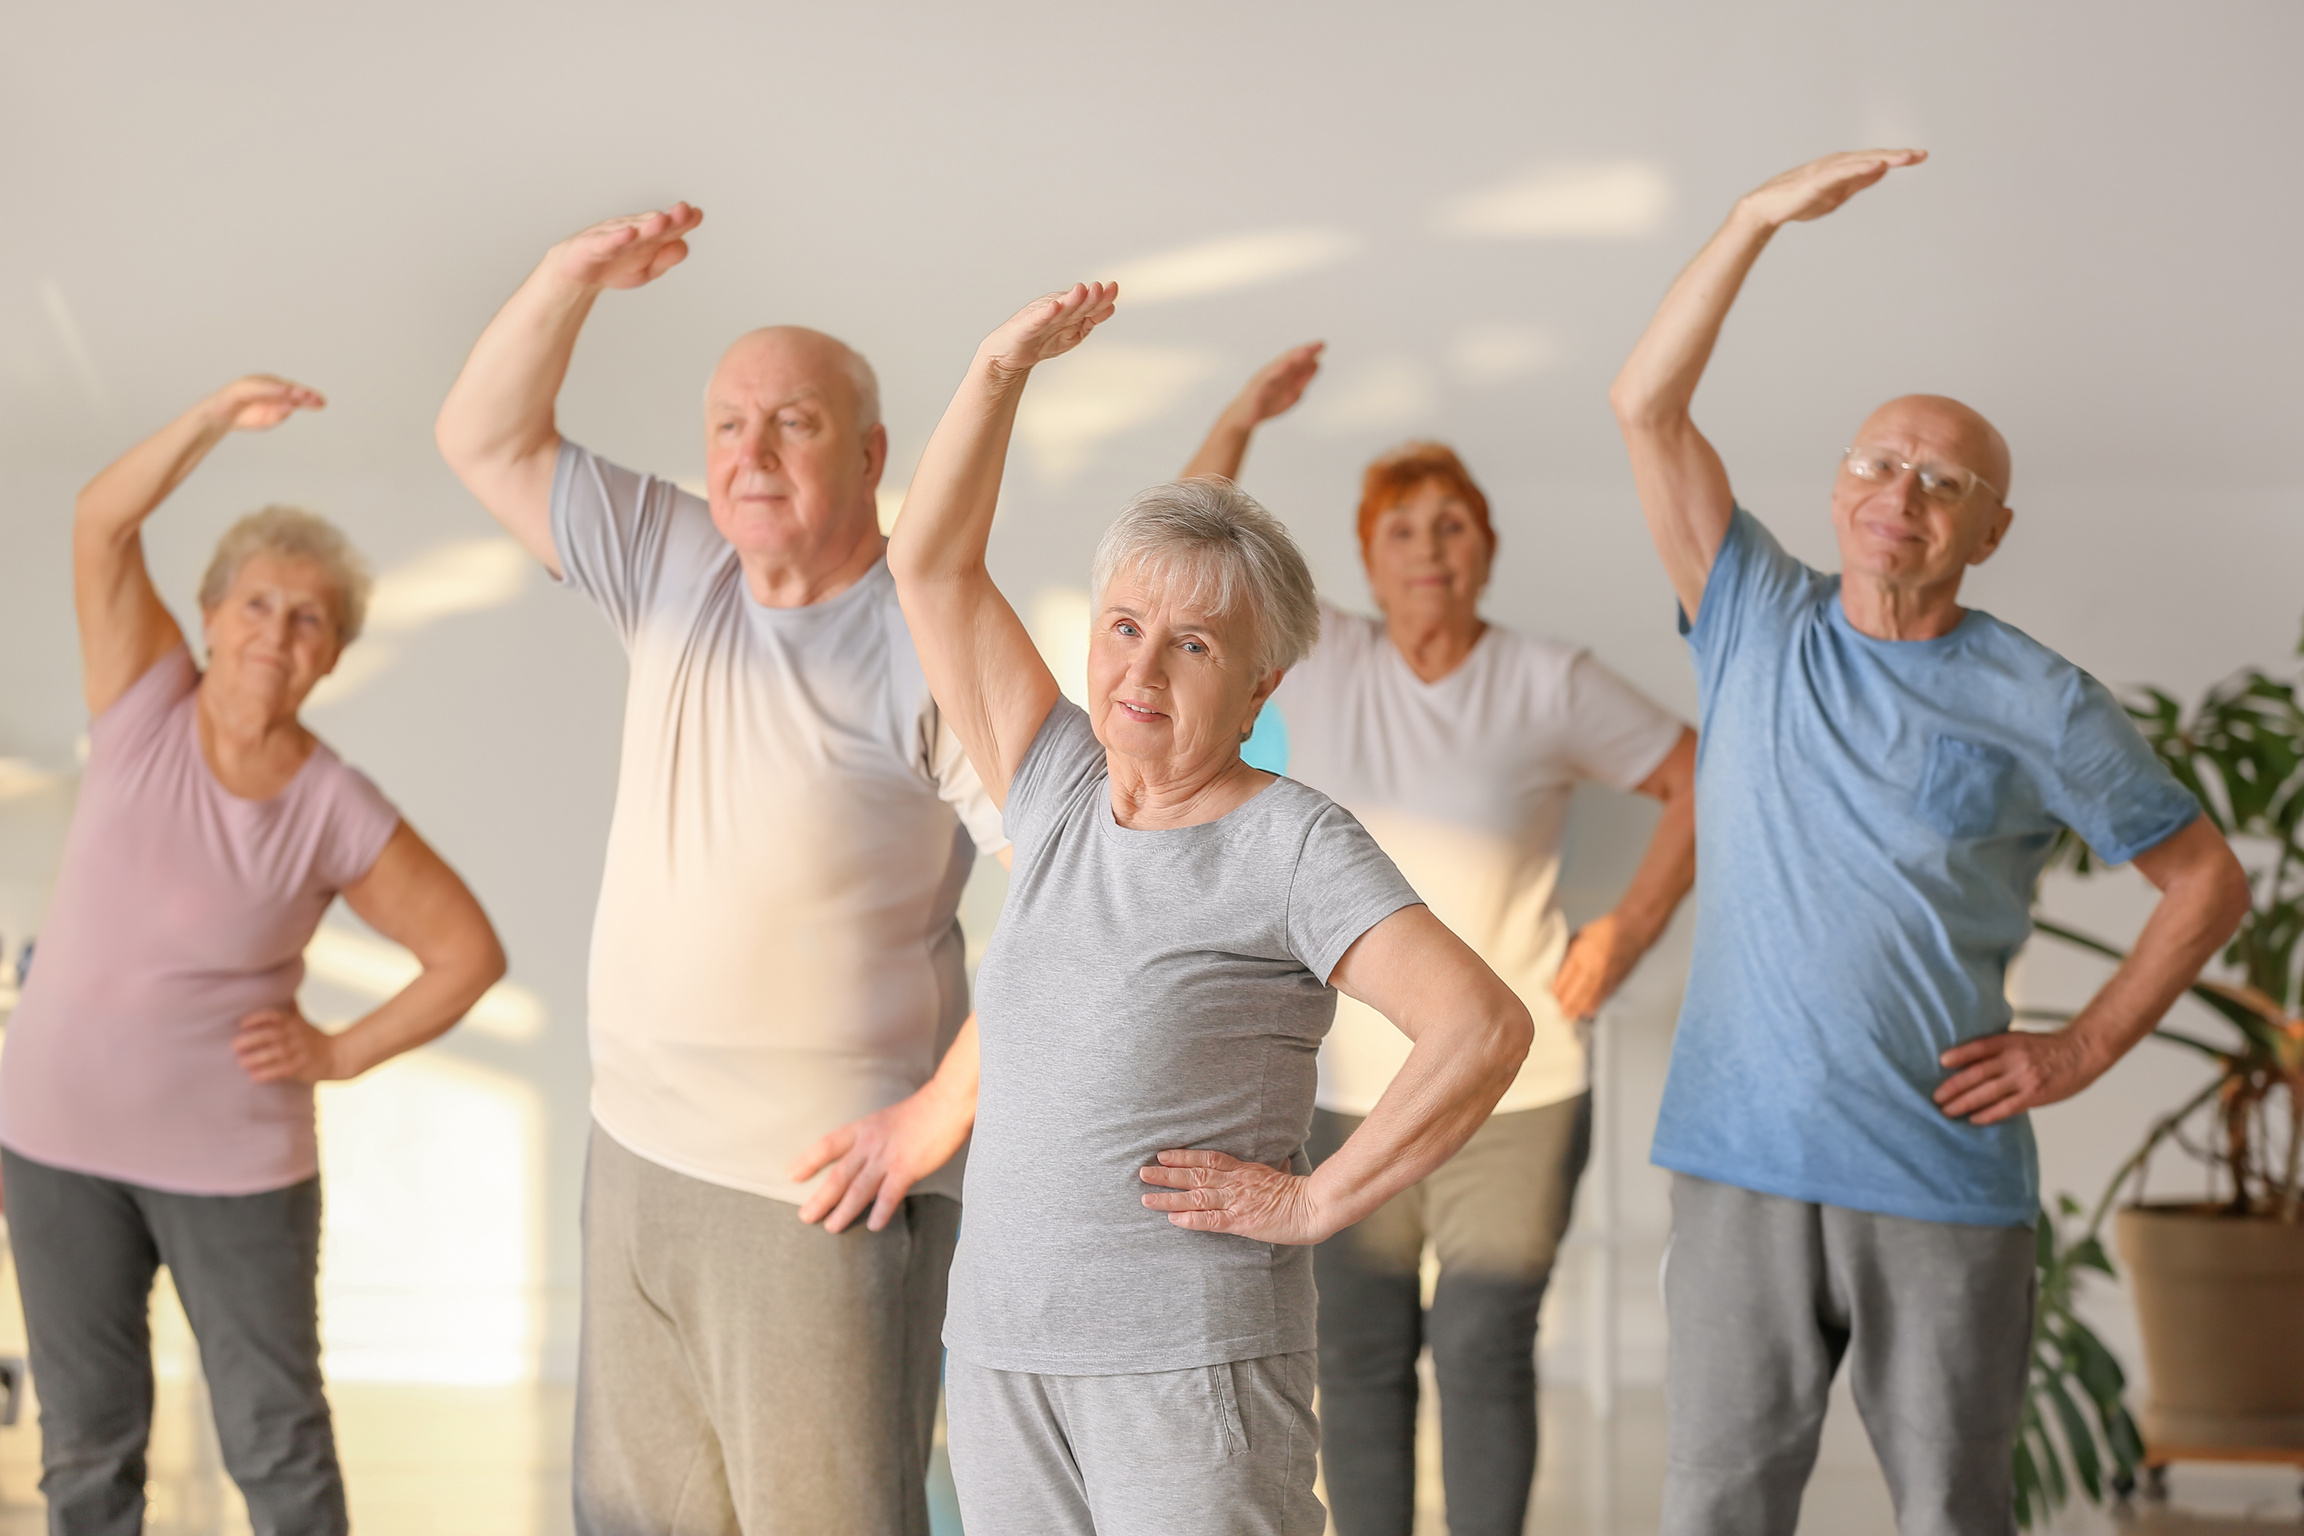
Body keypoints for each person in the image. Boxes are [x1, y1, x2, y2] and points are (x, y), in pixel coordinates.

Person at [1608, 149, 2253, 1536]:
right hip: (1742, 1163)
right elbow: (1645, 406)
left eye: (1944, 481)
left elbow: (2206, 880)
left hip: (1940, 1176)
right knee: (1715, 1507)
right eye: (1882, 461)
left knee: (1952, 1511)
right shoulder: (1751, 619)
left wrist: (2081, 1048)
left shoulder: (2046, 702)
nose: (1904, 492)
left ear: (1990, 529)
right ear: (1842, 487)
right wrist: (1752, 223)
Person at [888, 280, 1535, 1536]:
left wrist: (1316, 1201)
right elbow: (930, 564)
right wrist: (998, 368)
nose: (1140, 666)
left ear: (1259, 684)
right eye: (1125, 626)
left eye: (1192, 643)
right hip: (1008, 1352)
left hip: (1186, 1368)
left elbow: (1482, 1028)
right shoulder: (1061, 785)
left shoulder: (1292, 844)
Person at [434, 204, 1007, 1536]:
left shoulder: (934, 640)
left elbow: (1077, 888)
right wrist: (568, 277)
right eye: (727, 425)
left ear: (869, 452)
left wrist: (939, 1116)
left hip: (815, 1194)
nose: (749, 455)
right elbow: (482, 437)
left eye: (792, 423)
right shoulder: (677, 558)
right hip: (635, 1159)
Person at [1184, 357, 1698, 1536]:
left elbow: (1693, 774)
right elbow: (1199, 553)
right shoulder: (1330, 659)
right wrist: (1236, 421)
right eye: (1403, 528)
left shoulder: (1546, 679)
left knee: (1482, 1343)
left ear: (1488, 546)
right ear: (1366, 558)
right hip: (1345, 1083)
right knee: (1358, 1355)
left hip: (1516, 1087)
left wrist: (1627, 925)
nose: (1429, 547)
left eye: (1452, 524)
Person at [0, 376, 508, 1536]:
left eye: (311, 617)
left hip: (229, 1163)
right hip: (53, 1143)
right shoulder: (140, 702)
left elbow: (466, 953)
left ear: (333, 655)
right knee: (86, 1450)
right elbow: (98, 520)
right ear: (212, 613)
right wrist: (209, 424)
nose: (278, 632)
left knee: (275, 1448)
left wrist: (338, 1052)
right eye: (259, 604)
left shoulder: (335, 807)